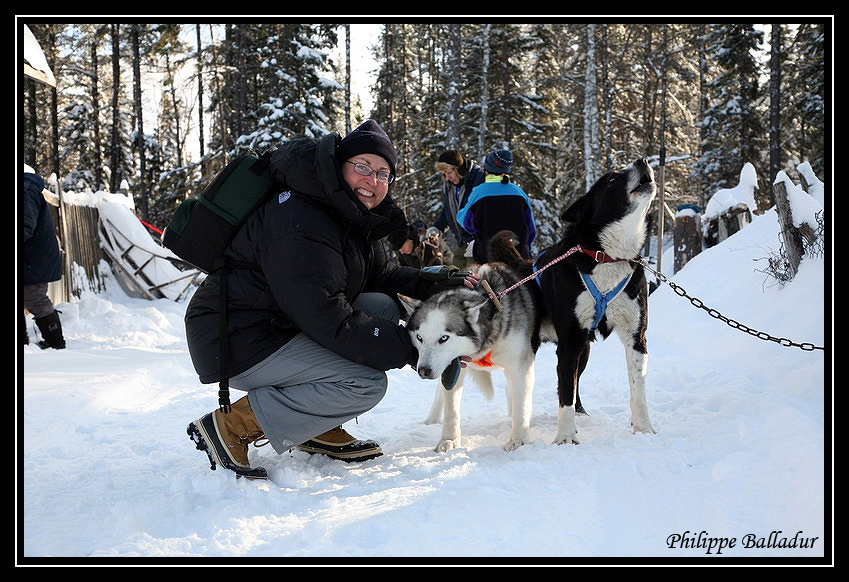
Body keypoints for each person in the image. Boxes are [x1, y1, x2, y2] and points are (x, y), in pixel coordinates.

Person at [185, 120, 478, 479]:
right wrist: (416, 349)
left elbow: (380, 278)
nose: (373, 182)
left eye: (384, 174)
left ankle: (311, 423)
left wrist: (437, 281)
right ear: (340, 165)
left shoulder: (347, 213)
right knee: (365, 384)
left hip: (276, 324)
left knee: (383, 307)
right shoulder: (302, 217)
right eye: (363, 168)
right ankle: (231, 426)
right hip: (236, 336)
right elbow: (328, 318)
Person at [455, 149, 537, 265]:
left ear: (486, 170)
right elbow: (531, 229)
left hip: (487, 260)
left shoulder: (479, 192)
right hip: (519, 259)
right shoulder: (519, 193)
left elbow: (467, 224)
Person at [23, 166, 65, 350]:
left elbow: (25, 226)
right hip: (31, 255)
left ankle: (55, 343)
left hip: (33, 257)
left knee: (35, 298)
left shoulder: (24, 189)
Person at [433, 150, 485, 269]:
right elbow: (448, 211)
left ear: (459, 169)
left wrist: (478, 239)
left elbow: (486, 213)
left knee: (472, 278)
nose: (447, 178)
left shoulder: (479, 178)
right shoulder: (448, 186)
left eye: (449, 173)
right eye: (443, 174)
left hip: (479, 243)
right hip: (463, 243)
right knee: (455, 274)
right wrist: (436, 228)